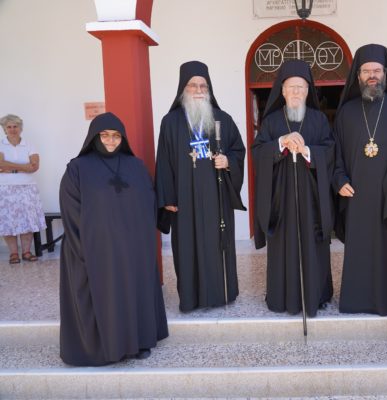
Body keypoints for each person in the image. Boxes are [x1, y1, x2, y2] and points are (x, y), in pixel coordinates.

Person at [59, 112, 168, 366]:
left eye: (116, 136)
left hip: (133, 249)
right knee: (107, 297)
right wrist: (84, 248)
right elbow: (70, 209)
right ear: (94, 137)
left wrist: (144, 240)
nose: (111, 140)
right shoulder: (77, 168)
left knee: (134, 293)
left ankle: (139, 342)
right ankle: (108, 348)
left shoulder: (135, 166)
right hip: (96, 250)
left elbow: (149, 202)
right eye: (105, 135)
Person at [333, 44, 387, 315]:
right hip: (355, 195)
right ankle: (355, 300)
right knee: (358, 248)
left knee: (386, 250)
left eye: (377, 70)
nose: (372, 76)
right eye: (366, 71)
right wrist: (339, 178)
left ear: (385, 74)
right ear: (357, 75)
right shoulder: (346, 113)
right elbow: (335, 152)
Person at [155, 61, 246, 312]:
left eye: (203, 86)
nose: (198, 90)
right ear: (182, 89)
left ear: (209, 89)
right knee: (187, 247)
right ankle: (191, 297)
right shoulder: (170, 122)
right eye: (192, 85)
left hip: (216, 197)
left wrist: (228, 161)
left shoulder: (223, 119)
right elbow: (163, 160)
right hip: (183, 198)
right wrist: (167, 197)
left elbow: (238, 150)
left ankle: (222, 294)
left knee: (217, 244)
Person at [252, 59, 334, 317]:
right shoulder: (271, 121)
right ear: (283, 91)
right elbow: (257, 153)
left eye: (301, 87)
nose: (296, 92)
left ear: (308, 92)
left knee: (313, 244)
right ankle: (282, 297)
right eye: (291, 87)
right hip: (281, 199)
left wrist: (308, 151)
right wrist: (281, 143)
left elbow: (330, 152)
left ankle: (316, 295)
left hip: (312, 198)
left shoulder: (319, 120)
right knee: (283, 246)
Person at [0, 114, 46, 264]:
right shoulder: (1, 144)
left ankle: (26, 252)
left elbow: (34, 167)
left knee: (28, 220)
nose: (12, 129)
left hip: (28, 187)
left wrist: (8, 166)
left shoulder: (29, 145)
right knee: (8, 221)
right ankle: (13, 253)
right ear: (4, 129)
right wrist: (23, 167)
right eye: (9, 127)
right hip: (5, 188)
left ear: (20, 128)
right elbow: (0, 164)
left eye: (15, 126)